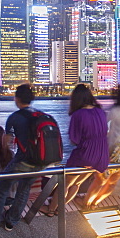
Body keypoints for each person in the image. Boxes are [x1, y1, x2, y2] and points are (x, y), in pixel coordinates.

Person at [0, 84, 55, 232]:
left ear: (16, 99)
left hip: (23, 161)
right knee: (24, 189)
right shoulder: (41, 115)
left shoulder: (15, 117)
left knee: (1, 187)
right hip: (41, 162)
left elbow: (7, 142)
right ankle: (11, 221)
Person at [40, 84, 108, 216]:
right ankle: (60, 208)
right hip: (101, 155)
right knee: (76, 183)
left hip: (85, 154)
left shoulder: (79, 114)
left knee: (64, 183)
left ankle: (51, 209)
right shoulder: (100, 111)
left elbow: (74, 139)